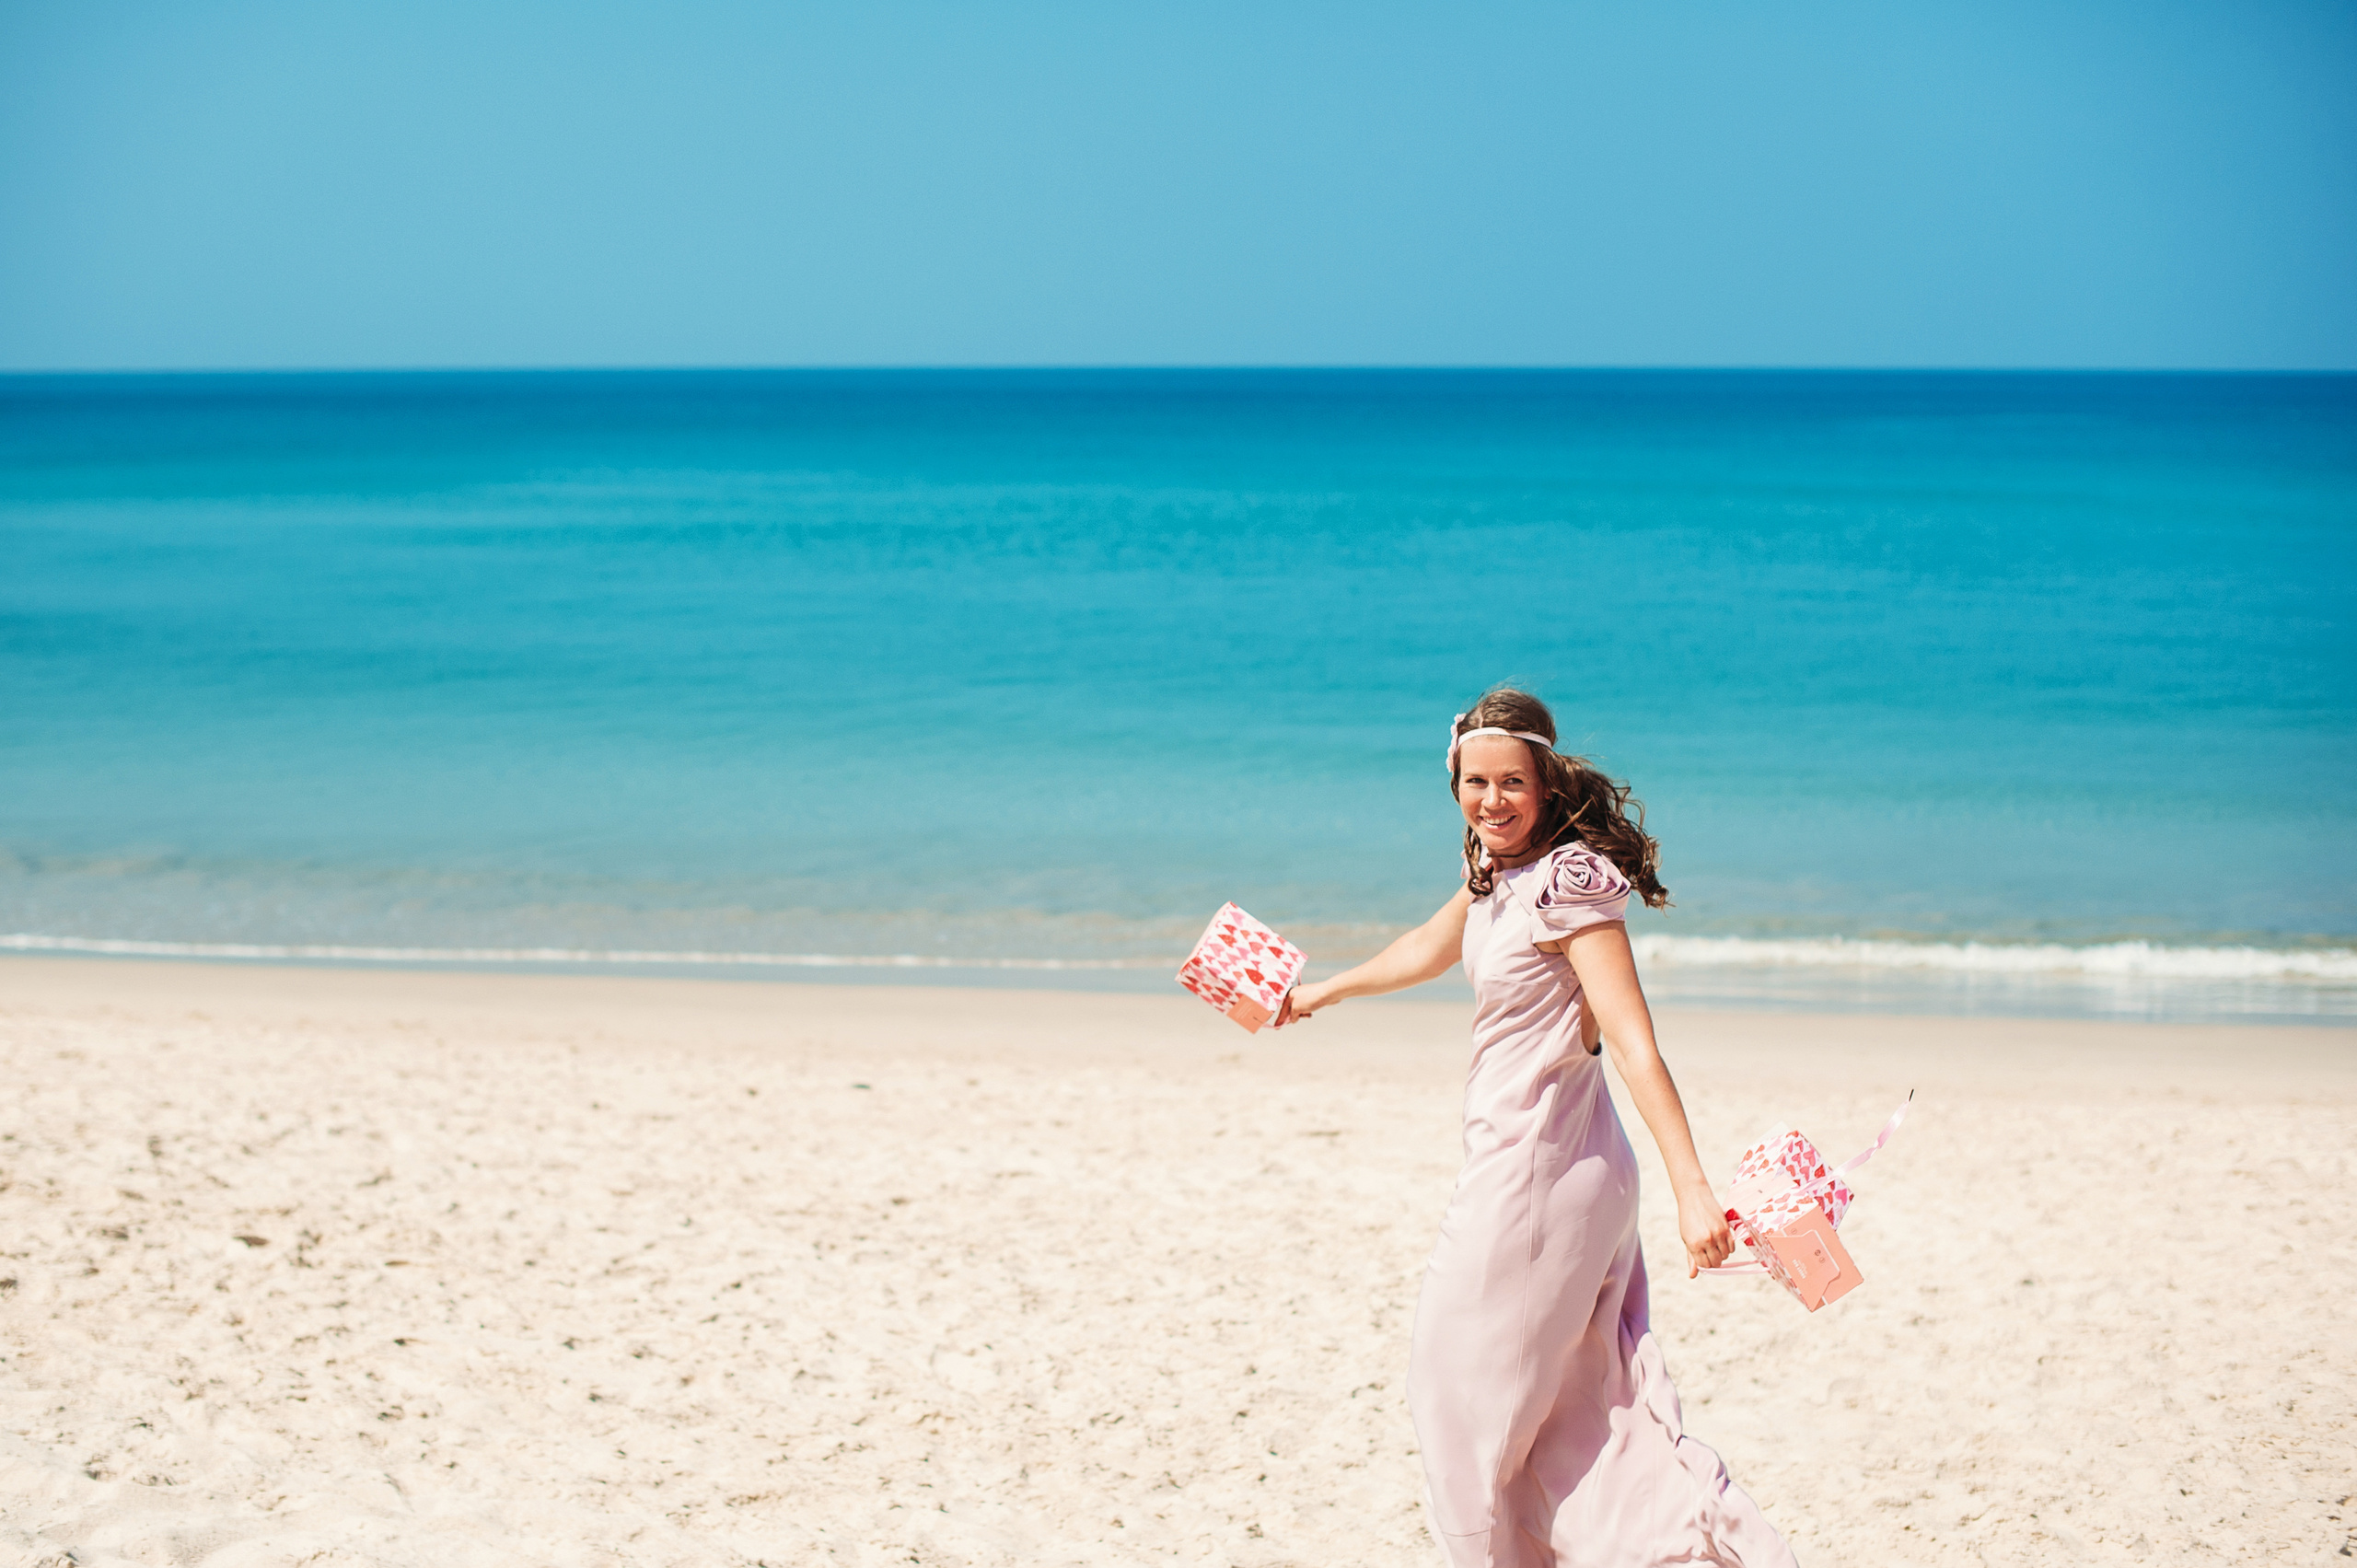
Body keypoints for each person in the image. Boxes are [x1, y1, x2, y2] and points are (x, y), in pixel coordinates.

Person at [1277, 688, 1795, 1568]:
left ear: (1546, 783)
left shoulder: (1568, 881)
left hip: (1544, 1172)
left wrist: (1694, 1189)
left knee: (1452, 1395)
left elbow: (1634, 1042)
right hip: (1535, 1161)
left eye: (1511, 782)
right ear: (1453, 784)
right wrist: (1321, 992)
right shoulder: (1498, 872)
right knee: (1572, 1399)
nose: (1493, 800)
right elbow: (1431, 944)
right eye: (1474, 782)